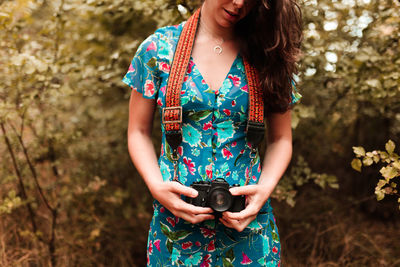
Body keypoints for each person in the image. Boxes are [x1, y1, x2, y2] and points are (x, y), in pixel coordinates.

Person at [122, 0, 302, 265]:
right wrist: (155, 185)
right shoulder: (158, 49)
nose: (240, 3)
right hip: (175, 232)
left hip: (249, 231)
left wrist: (263, 190)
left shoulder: (266, 51)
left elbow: (281, 139)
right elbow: (137, 131)